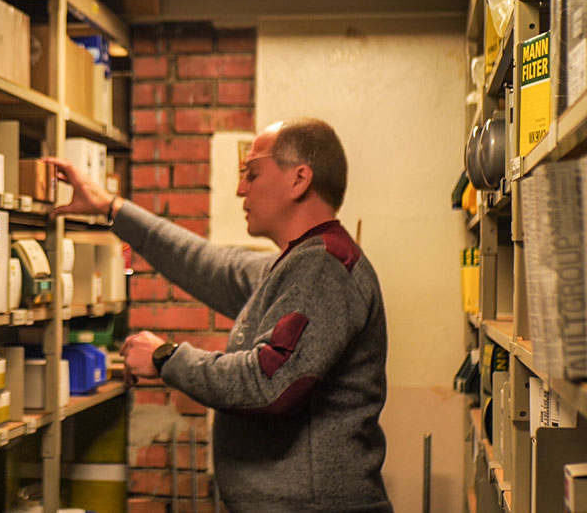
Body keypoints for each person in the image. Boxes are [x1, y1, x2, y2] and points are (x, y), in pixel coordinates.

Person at [46, 118, 391, 512]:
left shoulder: (323, 267)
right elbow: (206, 264)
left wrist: (166, 357)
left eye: (252, 173)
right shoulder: (295, 264)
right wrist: (111, 207)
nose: (241, 188)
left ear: (299, 179)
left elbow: (268, 383)